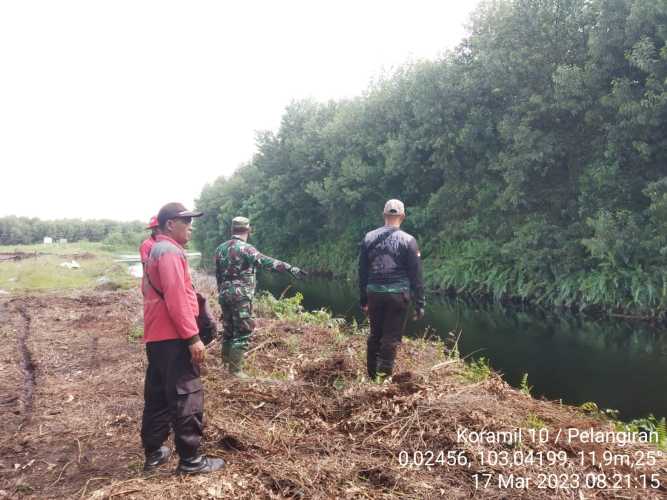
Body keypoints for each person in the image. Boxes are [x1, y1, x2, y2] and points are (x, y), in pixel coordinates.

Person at [140, 202, 224, 474]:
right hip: (175, 338)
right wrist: (192, 337)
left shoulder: (155, 251)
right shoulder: (170, 252)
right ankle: (191, 460)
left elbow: (148, 292)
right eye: (185, 221)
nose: (191, 226)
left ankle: (154, 453)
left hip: (156, 337)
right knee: (187, 394)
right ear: (169, 225)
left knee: (158, 396)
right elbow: (176, 298)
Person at [215, 216, 305, 378]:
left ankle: (225, 366)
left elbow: (218, 275)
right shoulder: (246, 249)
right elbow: (265, 262)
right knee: (243, 331)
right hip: (241, 296)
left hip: (224, 294)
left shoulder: (220, 249)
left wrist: (221, 293)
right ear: (248, 230)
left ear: (232, 230)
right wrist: (290, 267)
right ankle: (235, 372)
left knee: (228, 330)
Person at [358, 199, 425, 382]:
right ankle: (383, 379)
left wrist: (363, 300)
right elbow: (416, 276)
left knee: (375, 335)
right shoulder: (409, 241)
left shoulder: (368, 238)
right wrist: (420, 303)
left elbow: (362, 272)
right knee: (391, 337)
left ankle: (372, 377)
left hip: (374, 293)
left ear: (384, 215)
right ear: (402, 216)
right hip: (398, 295)